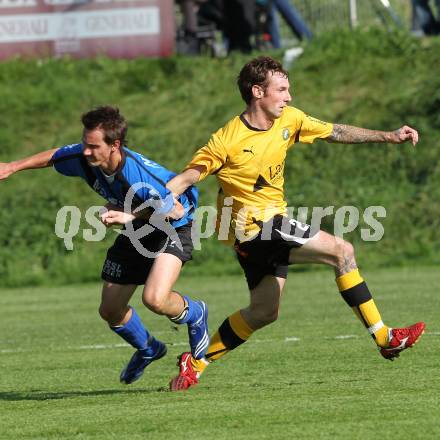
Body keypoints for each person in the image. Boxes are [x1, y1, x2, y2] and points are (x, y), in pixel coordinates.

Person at [165, 56, 425, 391]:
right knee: (341, 251)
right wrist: (150, 207)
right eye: (282, 89)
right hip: (257, 226)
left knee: (263, 312)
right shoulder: (226, 140)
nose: (289, 96)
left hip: (255, 235)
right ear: (258, 91)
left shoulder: (290, 118)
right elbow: (187, 177)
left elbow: (336, 131)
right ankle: (384, 336)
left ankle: (196, 363)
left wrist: (387, 136)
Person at [0, 105, 209, 384]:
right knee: (110, 310)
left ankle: (195, 314)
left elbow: (176, 212)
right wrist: (13, 167)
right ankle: (149, 349)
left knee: (154, 299)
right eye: (85, 144)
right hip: (138, 226)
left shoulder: (139, 176)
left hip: (174, 226)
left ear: (115, 145)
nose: (86, 151)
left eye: (93, 146)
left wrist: (128, 214)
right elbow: (54, 156)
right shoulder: (85, 157)